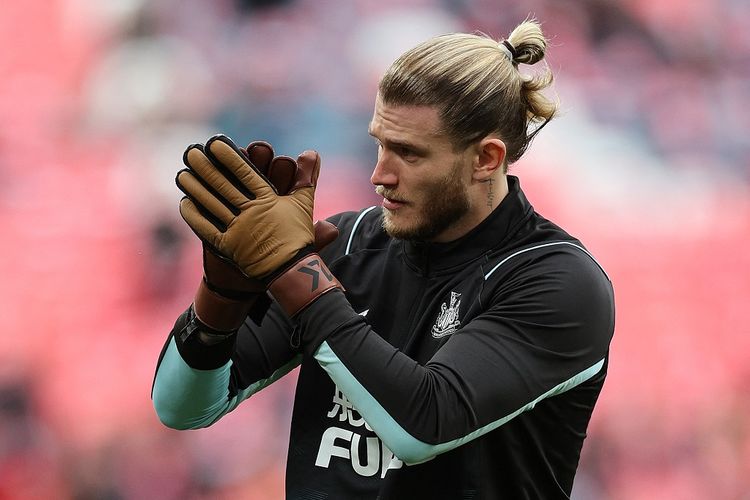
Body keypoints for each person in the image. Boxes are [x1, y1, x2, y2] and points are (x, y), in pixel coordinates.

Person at [152, 19, 615, 499]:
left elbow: (424, 426)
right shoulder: (350, 245)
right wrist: (222, 298)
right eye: (379, 143)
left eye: (409, 154)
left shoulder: (559, 281)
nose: (380, 174)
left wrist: (295, 274)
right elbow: (180, 409)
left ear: (487, 159)